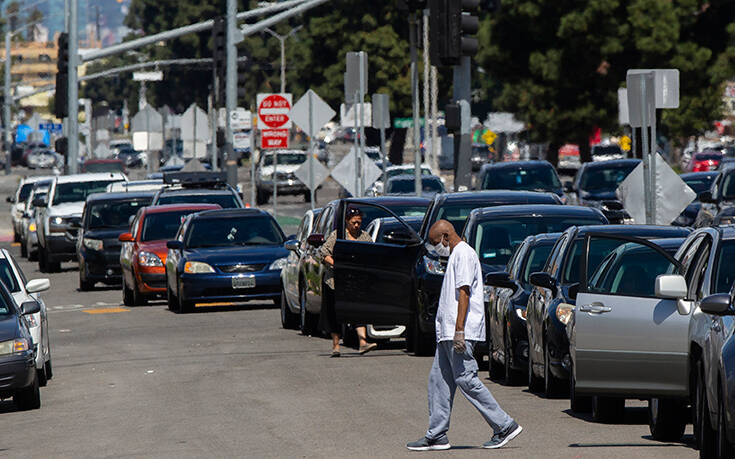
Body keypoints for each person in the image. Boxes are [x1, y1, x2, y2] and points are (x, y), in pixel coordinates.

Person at [407, 220, 522, 451]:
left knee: (466, 379)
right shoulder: (455, 254)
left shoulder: (463, 254)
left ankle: (504, 425)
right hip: (448, 332)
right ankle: (437, 434)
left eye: (435, 242)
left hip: (459, 331)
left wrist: (459, 330)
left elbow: (464, 293)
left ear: (446, 237)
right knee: (438, 381)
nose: (435, 247)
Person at [319, 207, 378, 357]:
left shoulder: (364, 237)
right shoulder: (338, 236)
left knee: (358, 311)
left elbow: (373, 255)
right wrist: (337, 266)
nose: (357, 225)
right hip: (335, 282)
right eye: (354, 222)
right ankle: (336, 346)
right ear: (347, 221)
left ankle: (363, 343)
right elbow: (324, 253)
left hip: (355, 283)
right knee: (334, 314)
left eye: (359, 222)